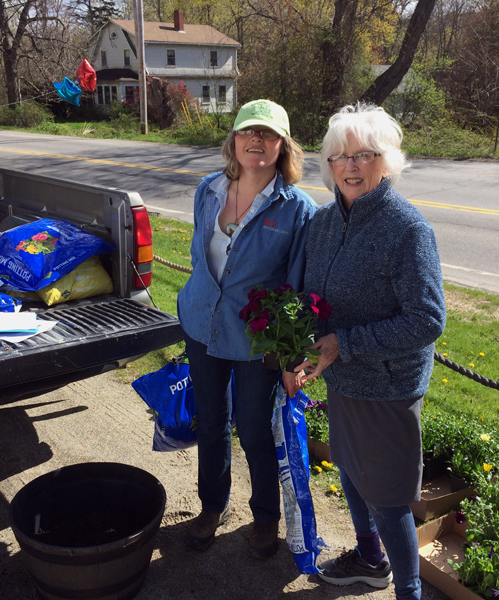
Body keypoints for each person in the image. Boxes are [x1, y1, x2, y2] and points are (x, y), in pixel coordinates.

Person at [284, 103, 445, 599]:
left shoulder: (407, 230)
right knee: (352, 474)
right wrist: (297, 347)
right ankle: (371, 560)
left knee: (390, 498)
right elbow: (315, 298)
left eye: (364, 155)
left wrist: (343, 344)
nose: (350, 166)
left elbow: (427, 319)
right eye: (339, 156)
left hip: (388, 386)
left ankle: (408, 591)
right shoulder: (325, 222)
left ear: (387, 162)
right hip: (342, 378)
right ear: (328, 164)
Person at [177, 99, 317, 558]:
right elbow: (202, 260)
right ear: (233, 140)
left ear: (283, 146)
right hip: (203, 328)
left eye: (268, 135)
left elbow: (297, 287)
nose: (256, 142)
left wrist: (291, 356)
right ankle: (211, 507)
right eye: (247, 133)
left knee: (254, 428)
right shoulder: (208, 191)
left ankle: (265, 517)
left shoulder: (297, 209)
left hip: (258, 342)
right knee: (212, 422)